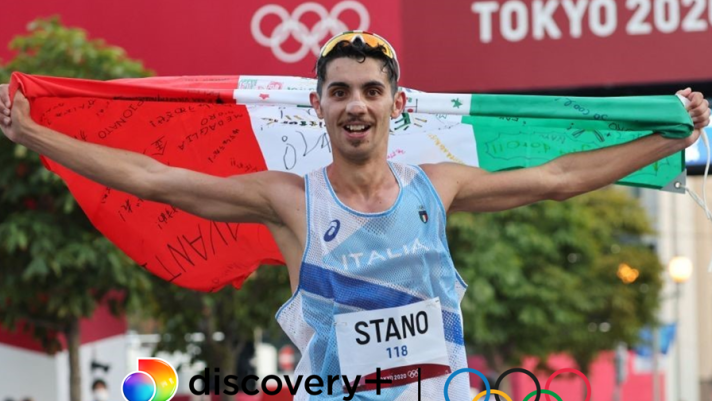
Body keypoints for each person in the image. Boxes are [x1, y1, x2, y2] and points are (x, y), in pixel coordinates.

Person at [0, 31, 709, 400]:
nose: (356, 104)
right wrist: (36, 135)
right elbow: (157, 178)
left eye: (372, 90)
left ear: (397, 104)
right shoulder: (288, 199)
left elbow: (557, 178)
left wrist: (667, 137)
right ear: (319, 106)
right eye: (340, 91)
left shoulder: (440, 185)